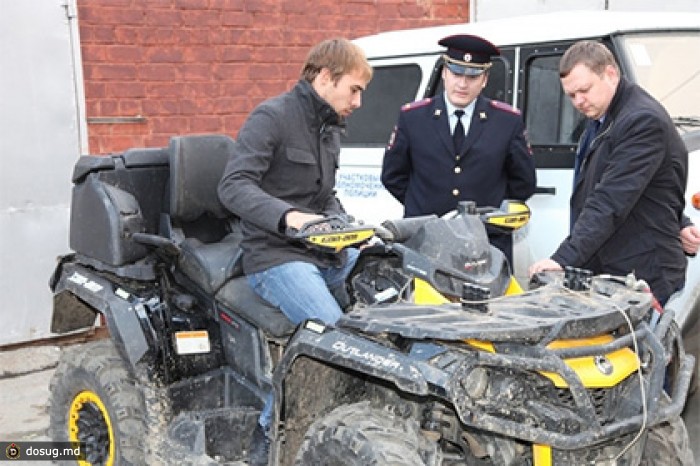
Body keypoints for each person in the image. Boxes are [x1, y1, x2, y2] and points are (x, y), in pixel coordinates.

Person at [217, 37, 372, 465]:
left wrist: (348, 226)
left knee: (396, 285)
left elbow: (324, 197)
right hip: (276, 258)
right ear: (325, 77)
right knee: (331, 337)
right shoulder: (272, 117)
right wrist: (288, 217)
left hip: (326, 255)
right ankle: (267, 443)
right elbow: (232, 186)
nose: (358, 101)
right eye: (354, 89)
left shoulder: (329, 129)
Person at [528, 40, 697, 306]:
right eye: (571, 95)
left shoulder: (641, 121)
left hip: (641, 273)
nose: (578, 101)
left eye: (584, 90)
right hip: (619, 269)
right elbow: (648, 185)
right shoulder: (605, 117)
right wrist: (680, 222)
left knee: (634, 350)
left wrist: (562, 260)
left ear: (610, 74)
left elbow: (610, 200)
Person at [380, 33, 536, 266]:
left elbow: (523, 183)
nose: (462, 84)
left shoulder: (506, 121)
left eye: (472, 76)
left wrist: (487, 216)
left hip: (486, 245)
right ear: (444, 72)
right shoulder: (413, 118)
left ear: (484, 79)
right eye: (456, 73)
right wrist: (425, 205)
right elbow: (393, 176)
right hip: (426, 242)